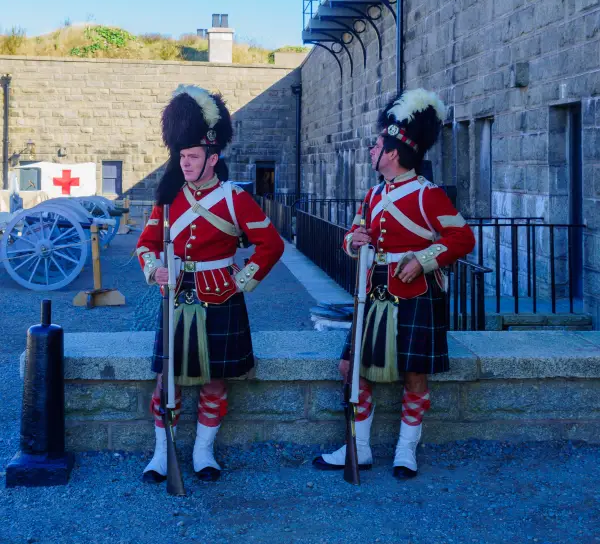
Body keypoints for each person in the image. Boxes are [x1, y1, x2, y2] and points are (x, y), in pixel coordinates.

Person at [313, 89, 475, 478]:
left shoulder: (428, 195)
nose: (371, 150)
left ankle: (406, 450)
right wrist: (354, 241)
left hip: (415, 294)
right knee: (353, 367)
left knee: (414, 373)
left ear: (393, 152)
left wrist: (423, 259)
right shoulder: (372, 195)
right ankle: (361, 447)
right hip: (373, 293)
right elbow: (352, 236)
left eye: (376, 145)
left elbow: (463, 239)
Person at [137, 85, 284, 482]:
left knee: (214, 382)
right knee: (165, 380)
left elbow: (271, 245)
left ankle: (204, 452)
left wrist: (241, 280)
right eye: (181, 156)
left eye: (193, 157)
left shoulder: (235, 199)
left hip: (220, 298)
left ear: (212, 158)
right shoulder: (167, 200)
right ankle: (161, 453)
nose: (185, 164)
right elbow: (145, 245)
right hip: (175, 298)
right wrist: (155, 270)